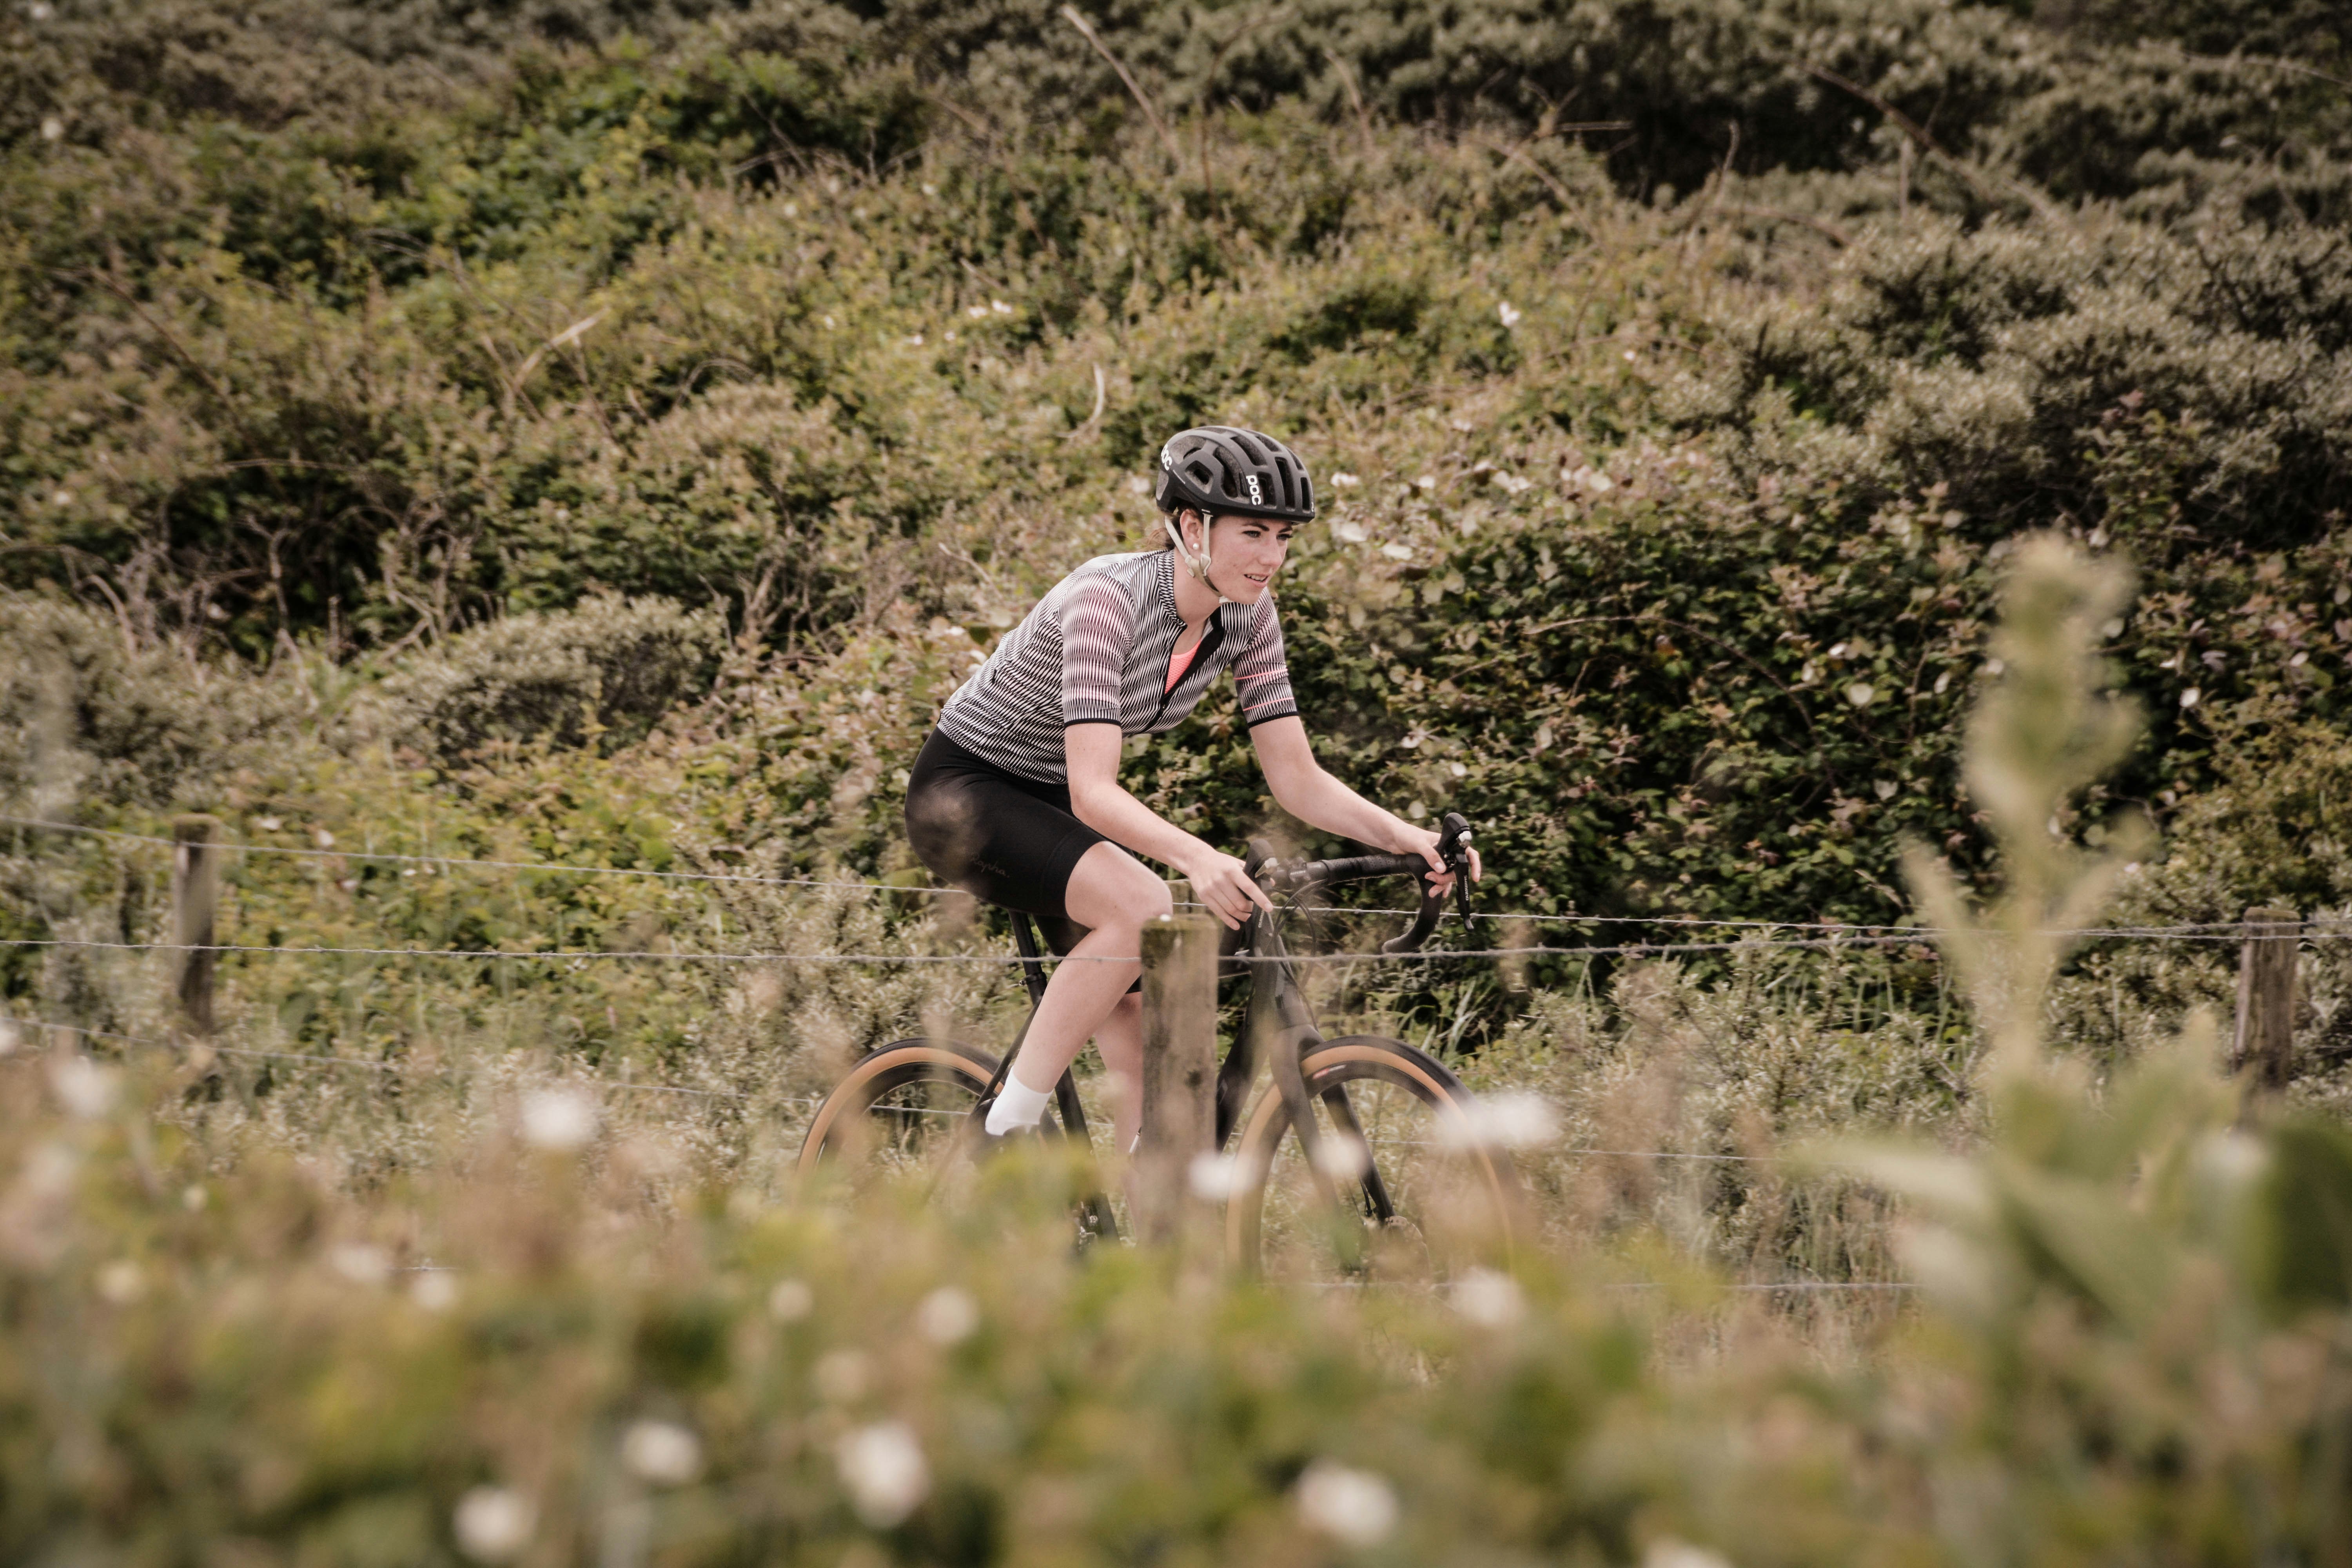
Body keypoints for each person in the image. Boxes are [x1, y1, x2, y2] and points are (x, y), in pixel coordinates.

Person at [903, 425, 1481, 1149]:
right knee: (1143, 903)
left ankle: (1139, 1245)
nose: (1271, 558)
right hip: (965, 792)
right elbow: (1095, 794)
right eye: (1252, 533)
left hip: (1045, 799)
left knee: (1159, 1089)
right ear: (1190, 526)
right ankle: (1002, 1132)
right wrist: (1200, 859)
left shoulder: (1248, 616)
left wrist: (1411, 839)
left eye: (1284, 537)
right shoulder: (1105, 601)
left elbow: (1296, 777)